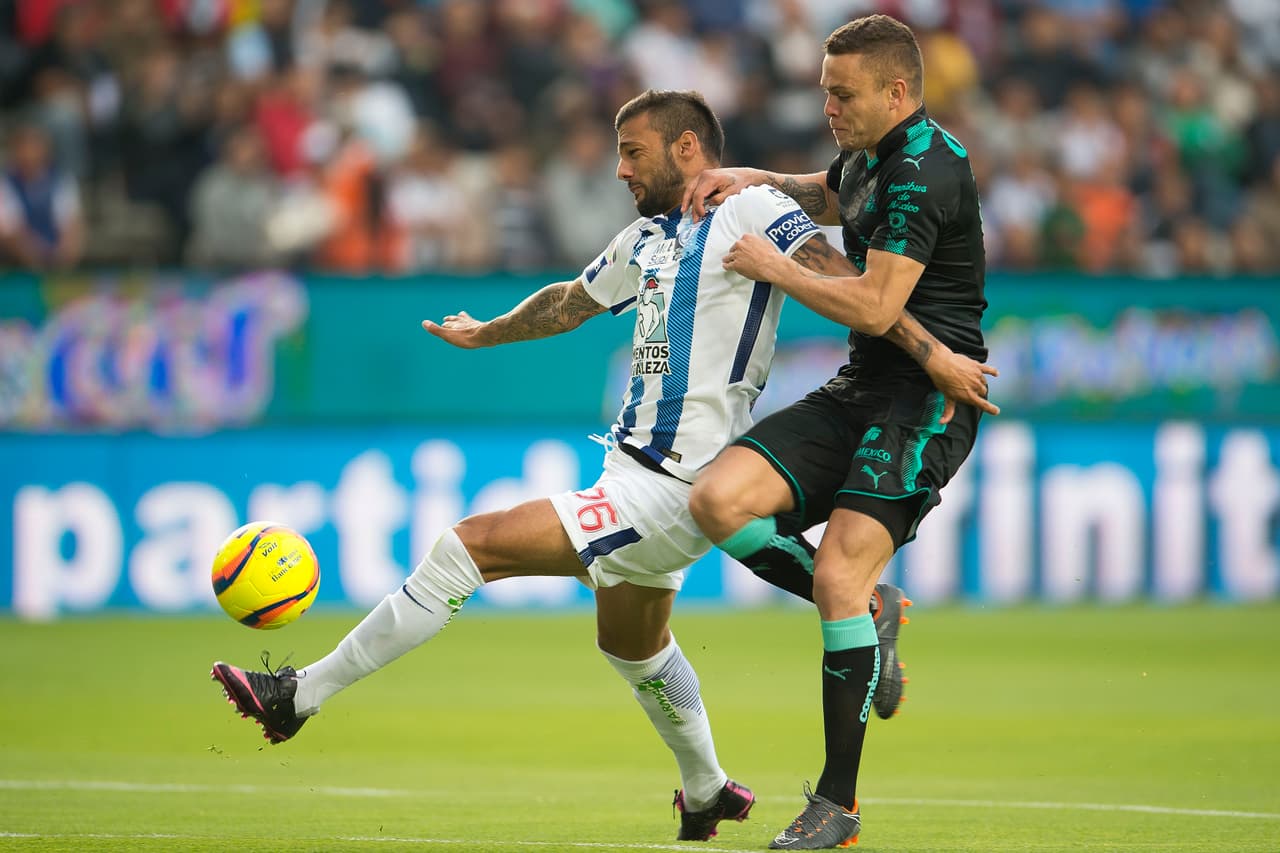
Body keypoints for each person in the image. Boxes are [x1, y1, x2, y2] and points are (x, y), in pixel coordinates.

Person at [210, 88, 989, 843]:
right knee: (633, 645)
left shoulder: (749, 212)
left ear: (688, 149)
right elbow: (570, 301)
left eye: (633, 152)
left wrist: (934, 354)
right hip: (628, 474)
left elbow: (849, 283)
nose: (621, 170)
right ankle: (710, 789)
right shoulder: (647, 239)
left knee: (468, 545)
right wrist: (487, 333)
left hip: (681, 481)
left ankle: (297, 695)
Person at [682, 15, 997, 850]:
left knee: (836, 571)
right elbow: (831, 194)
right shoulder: (871, 154)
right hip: (864, 384)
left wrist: (776, 264)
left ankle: (838, 807)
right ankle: (876, 608)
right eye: (825, 88)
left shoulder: (927, 172)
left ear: (897, 92)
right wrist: (750, 174)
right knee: (716, 500)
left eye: (841, 91)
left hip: (928, 400)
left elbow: (874, 304)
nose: (826, 103)